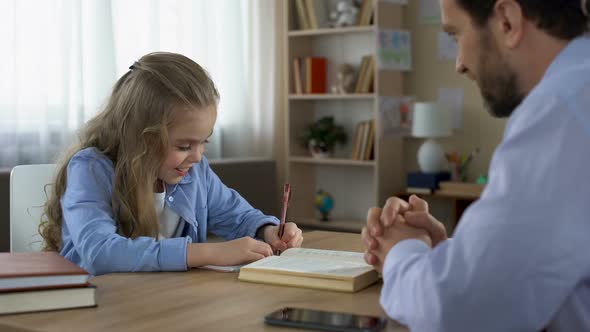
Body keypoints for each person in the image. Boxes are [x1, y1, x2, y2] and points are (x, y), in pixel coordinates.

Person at [362, 0, 590, 331]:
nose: (459, 65)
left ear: (507, 21)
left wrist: (400, 252)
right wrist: (454, 256)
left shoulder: (561, 111)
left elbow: (459, 312)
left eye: (455, 34)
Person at [39, 52, 303, 275]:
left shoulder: (195, 172)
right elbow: (101, 252)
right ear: (140, 138)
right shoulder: (91, 169)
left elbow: (239, 216)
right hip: (101, 307)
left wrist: (268, 230)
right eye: (184, 146)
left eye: (203, 143)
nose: (198, 156)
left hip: (171, 304)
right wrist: (207, 252)